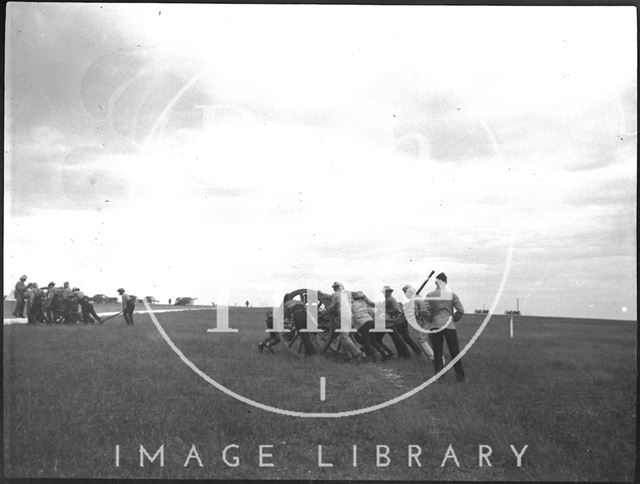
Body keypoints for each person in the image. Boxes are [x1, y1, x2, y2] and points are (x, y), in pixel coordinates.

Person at [425, 273, 465, 382]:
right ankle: (460, 377)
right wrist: (454, 319)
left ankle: (439, 377)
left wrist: (430, 319)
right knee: (454, 351)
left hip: (435, 326)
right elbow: (461, 310)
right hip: (449, 326)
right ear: (446, 282)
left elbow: (424, 310)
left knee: (438, 352)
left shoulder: (430, 295)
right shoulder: (452, 295)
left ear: (435, 282)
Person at [325, 282, 366, 363]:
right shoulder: (346, 295)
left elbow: (332, 307)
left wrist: (327, 311)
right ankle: (347, 357)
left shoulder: (335, 295)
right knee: (345, 336)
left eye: (334, 288)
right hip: (350, 316)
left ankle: (358, 354)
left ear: (335, 288)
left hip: (343, 316)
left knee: (344, 337)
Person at [351, 291, 394, 362]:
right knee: (374, 341)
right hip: (371, 322)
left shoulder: (353, 305)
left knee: (367, 343)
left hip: (364, 324)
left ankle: (377, 358)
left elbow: (352, 315)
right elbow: (368, 302)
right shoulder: (364, 303)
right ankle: (385, 354)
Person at [402, 284, 435, 361]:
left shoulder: (413, 300)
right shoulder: (418, 297)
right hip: (431, 319)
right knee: (432, 339)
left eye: (405, 292)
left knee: (421, 339)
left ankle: (434, 358)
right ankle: (438, 355)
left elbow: (416, 313)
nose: (405, 294)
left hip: (426, 321)